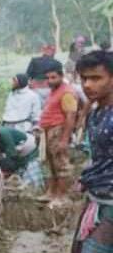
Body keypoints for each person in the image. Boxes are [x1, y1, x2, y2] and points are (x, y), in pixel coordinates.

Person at [68, 50, 113, 253]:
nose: (88, 85)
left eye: (96, 78)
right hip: (99, 201)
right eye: (84, 79)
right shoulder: (97, 113)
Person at [39, 63, 78, 205]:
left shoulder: (67, 93)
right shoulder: (54, 91)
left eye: (53, 77)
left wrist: (64, 139)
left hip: (58, 129)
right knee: (50, 163)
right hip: (49, 130)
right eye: (48, 78)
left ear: (61, 76)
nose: (50, 80)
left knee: (61, 163)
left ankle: (62, 196)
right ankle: (52, 192)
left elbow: (70, 116)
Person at [0, 124, 43, 193]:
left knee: (7, 166)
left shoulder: (4, 134)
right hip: (17, 150)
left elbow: (11, 158)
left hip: (29, 149)